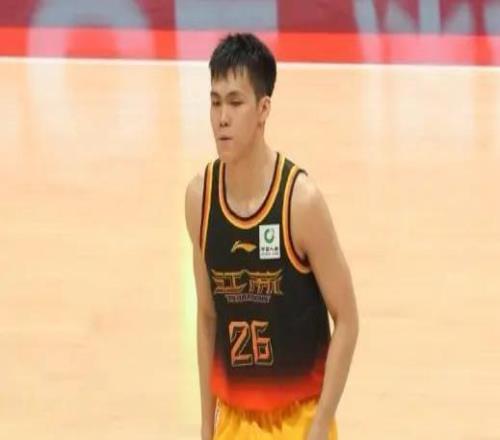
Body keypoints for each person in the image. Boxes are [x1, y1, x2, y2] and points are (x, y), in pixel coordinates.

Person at [184, 33, 359, 440]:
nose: (222, 118)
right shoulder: (200, 200)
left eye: (235, 103)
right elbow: (208, 317)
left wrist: (321, 423)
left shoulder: (301, 203)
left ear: (263, 109)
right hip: (234, 420)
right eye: (215, 102)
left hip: (298, 421)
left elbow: (348, 318)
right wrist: (207, 424)